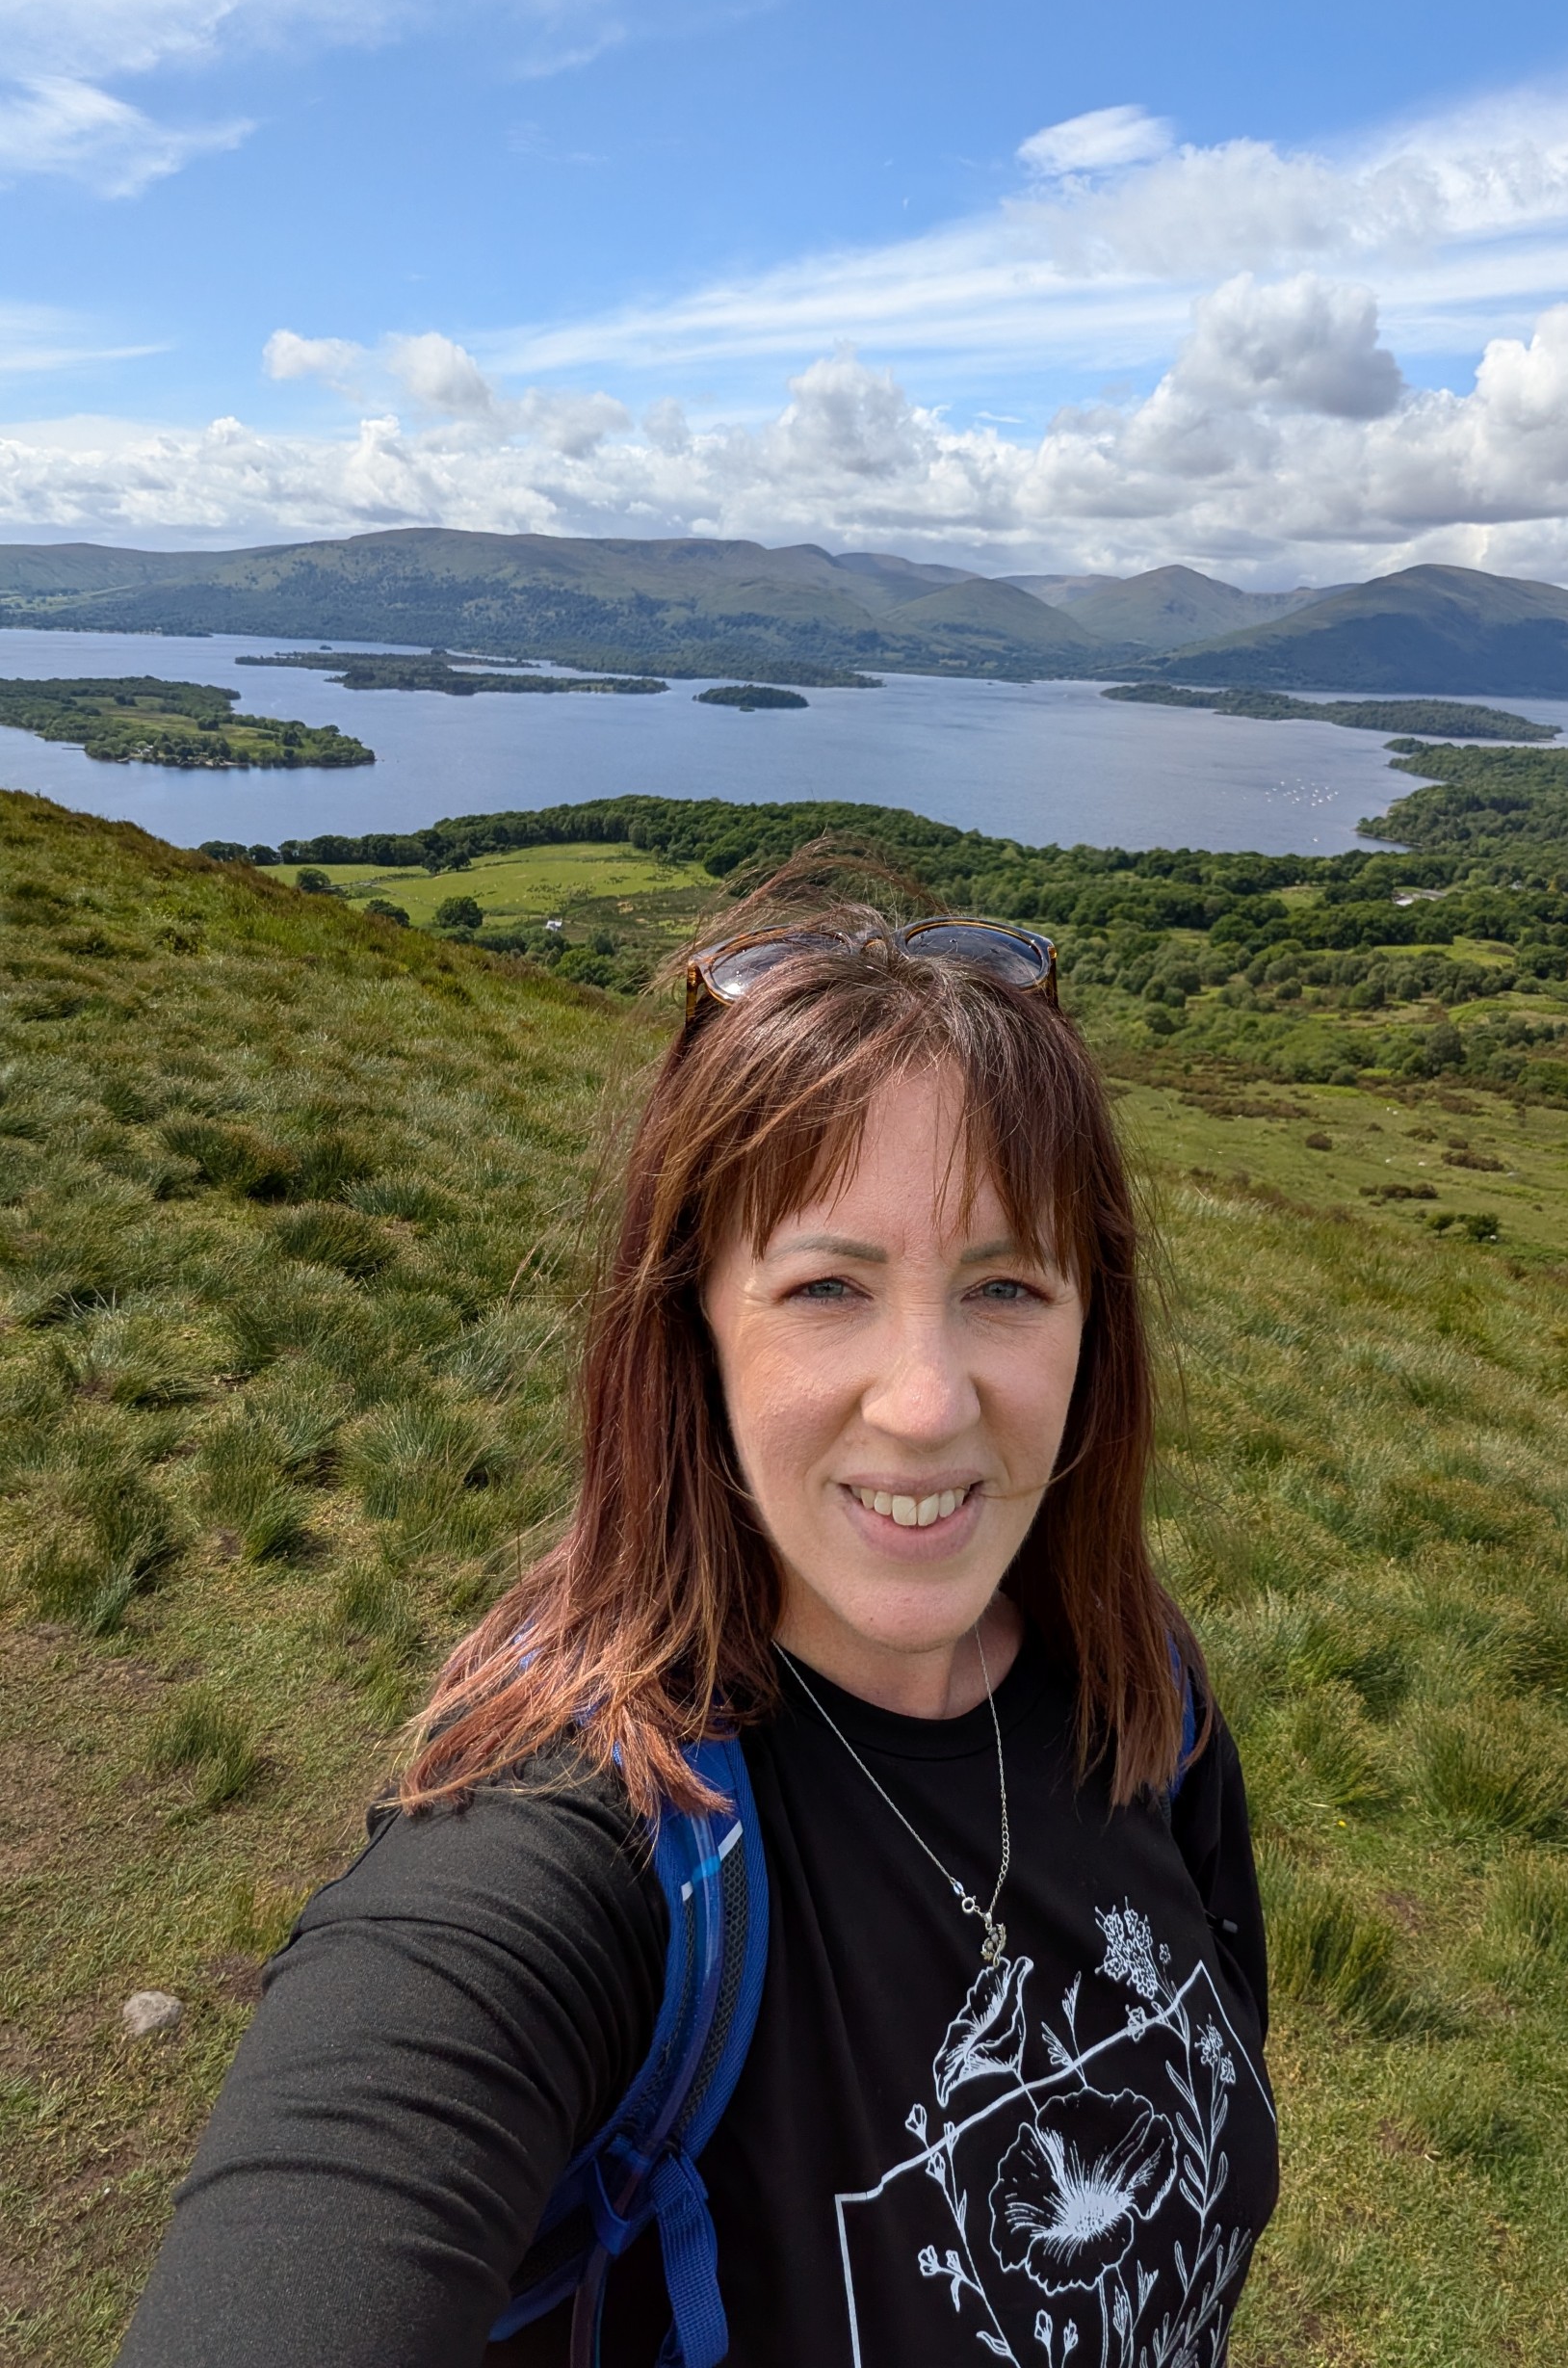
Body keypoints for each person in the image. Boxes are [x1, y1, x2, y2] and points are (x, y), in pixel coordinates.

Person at [117, 898, 1277, 2368]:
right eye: (826, 1288)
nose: (925, 1403)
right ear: (692, 1331)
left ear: (1089, 1331)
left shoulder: (1143, 1696)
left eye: (1004, 1287)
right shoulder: (573, 1852)